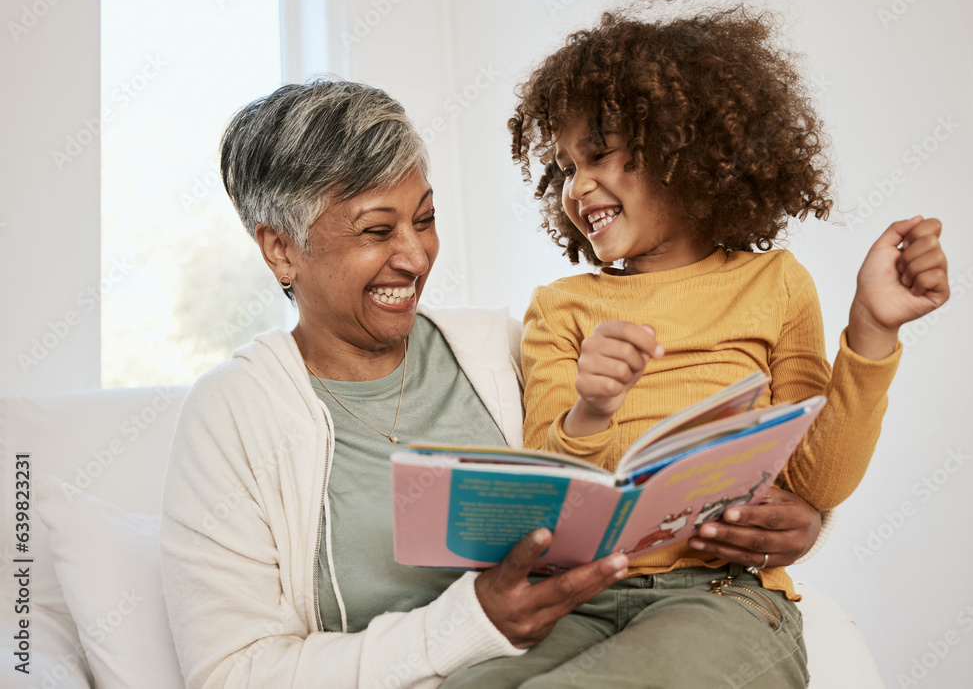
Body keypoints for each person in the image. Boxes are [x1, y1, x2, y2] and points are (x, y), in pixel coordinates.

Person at [160, 79, 826, 689]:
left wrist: (795, 523)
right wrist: (467, 621)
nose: (416, 256)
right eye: (376, 230)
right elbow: (231, 674)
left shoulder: (500, 350)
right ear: (280, 249)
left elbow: (658, 482)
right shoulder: (235, 415)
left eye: (424, 219)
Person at [441, 0, 950, 689]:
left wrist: (873, 330)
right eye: (564, 167)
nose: (576, 186)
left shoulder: (774, 283)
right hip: (580, 599)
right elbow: (550, 493)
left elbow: (816, 484)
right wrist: (591, 409)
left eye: (598, 155)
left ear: (686, 148)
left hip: (719, 597)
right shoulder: (561, 308)